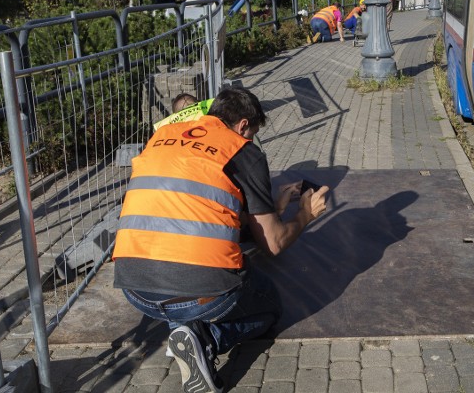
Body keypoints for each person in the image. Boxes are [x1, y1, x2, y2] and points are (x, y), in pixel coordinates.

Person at [113, 86, 329, 393]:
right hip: (200, 295)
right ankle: (206, 340)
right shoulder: (243, 150)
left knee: (181, 287)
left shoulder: (162, 136)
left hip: (135, 289)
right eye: (251, 133)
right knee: (269, 309)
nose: (250, 140)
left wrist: (275, 207)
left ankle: (182, 330)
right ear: (243, 126)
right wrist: (305, 215)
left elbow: (203, 212)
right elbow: (274, 244)